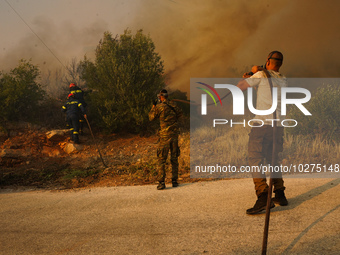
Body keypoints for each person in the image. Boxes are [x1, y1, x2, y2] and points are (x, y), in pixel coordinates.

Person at [236, 51, 288, 214]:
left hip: (263, 124)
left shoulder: (261, 75)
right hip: (278, 125)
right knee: (273, 158)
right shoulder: (283, 79)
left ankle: (263, 196)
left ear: (267, 61)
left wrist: (252, 74)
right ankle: (279, 194)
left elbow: (240, 87)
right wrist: (255, 72)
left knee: (255, 157)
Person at [149, 89, 183, 190]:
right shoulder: (173, 105)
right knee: (174, 158)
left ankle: (161, 183)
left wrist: (153, 107)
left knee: (161, 160)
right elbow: (180, 114)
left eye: (159, 96)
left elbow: (151, 117)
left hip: (164, 137)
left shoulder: (159, 107)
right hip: (174, 136)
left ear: (161, 97)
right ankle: (174, 181)